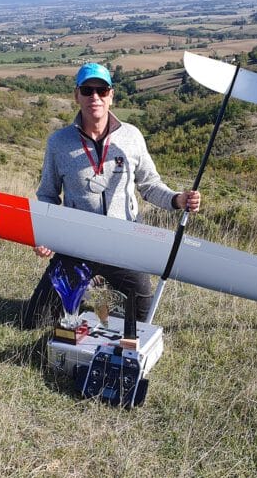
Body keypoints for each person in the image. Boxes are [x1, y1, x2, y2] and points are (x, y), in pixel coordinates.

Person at [21, 62, 201, 328]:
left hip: (125, 244)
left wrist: (178, 199)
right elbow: (47, 195)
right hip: (76, 243)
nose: (95, 97)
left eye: (102, 90)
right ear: (77, 95)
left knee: (139, 320)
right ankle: (78, 297)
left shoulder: (131, 136)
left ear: (111, 95)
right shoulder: (58, 142)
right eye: (87, 90)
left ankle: (93, 302)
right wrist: (46, 234)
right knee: (35, 321)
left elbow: (149, 185)